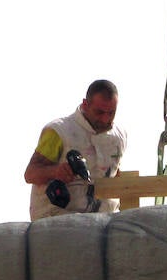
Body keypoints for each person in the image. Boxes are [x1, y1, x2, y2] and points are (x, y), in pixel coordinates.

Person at [24, 79, 128, 220]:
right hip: (59, 221)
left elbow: (115, 174)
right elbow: (30, 174)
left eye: (111, 113)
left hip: (103, 223)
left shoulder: (119, 136)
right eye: (99, 112)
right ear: (85, 104)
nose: (105, 119)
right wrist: (55, 171)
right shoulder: (58, 131)